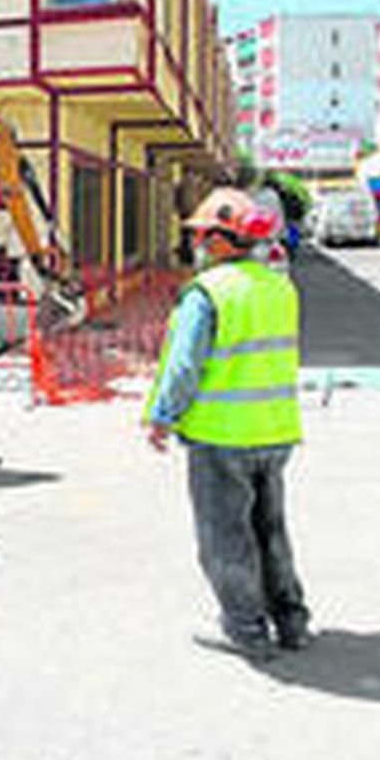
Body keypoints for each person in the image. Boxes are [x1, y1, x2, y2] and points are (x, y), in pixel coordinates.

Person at [142, 186, 311, 661]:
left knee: (226, 538)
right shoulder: (281, 287)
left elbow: (182, 367)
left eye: (200, 236)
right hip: (275, 431)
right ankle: (292, 621)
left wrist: (161, 418)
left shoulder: (207, 293)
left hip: (222, 435)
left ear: (220, 240)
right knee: (270, 531)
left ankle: (245, 630)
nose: (195, 243)